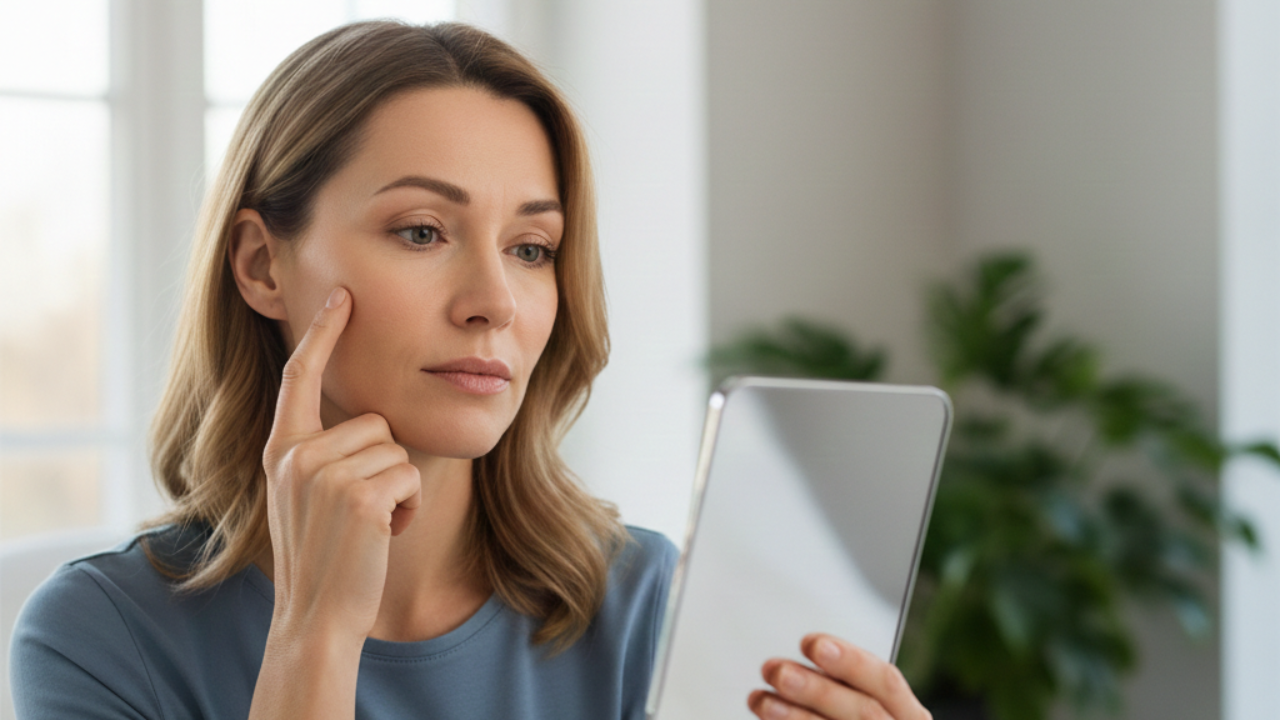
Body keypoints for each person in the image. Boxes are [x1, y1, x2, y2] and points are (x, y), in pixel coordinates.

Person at [10, 20, 931, 720]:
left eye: (532, 247)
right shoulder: (99, 638)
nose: (494, 298)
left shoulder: (651, 607)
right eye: (422, 232)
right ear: (261, 265)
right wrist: (314, 639)